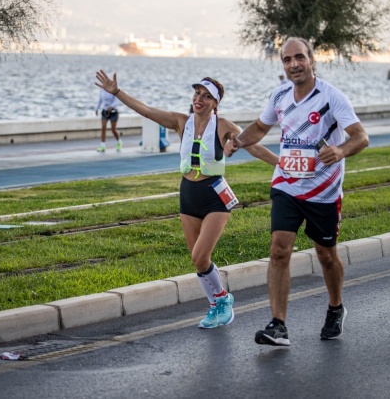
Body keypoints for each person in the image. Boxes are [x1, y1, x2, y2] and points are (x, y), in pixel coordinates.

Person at [95, 70, 278, 329]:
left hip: (215, 196)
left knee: (202, 255)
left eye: (206, 96)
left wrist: (282, 165)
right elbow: (146, 110)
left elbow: (254, 147)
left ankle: (223, 301)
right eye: (197, 93)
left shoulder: (225, 126)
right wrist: (116, 93)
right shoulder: (181, 121)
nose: (199, 99)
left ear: (215, 103)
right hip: (188, 195)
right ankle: (216, 303)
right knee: (196, 259)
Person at [225, 37, 369, 346]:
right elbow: (261, 128)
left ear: (311, 60)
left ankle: (335, 307)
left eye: (299, 58)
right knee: (279, 248)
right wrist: (237, 141)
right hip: (286, 183)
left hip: (323, 191)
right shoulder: (279, 95)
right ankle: (278, 325)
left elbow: (361, 137)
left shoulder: (332, 98)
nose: (294, 64)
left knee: (326, 255)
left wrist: (341, 151)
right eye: (287, 60)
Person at [95, 88, 122, 152]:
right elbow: (100, 100)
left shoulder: (113, 90)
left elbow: (116, 101)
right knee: (103, 128)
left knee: (113, 130)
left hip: (113, 112)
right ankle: (102, 145)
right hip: (105, 112)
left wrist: (112, 106)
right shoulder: (102, 91)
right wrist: (97, 108)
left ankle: (119, 141)